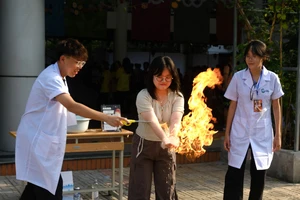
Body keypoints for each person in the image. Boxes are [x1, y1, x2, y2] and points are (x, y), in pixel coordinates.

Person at [15, 38, 127, 200]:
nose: (80, 68)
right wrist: (106, 117)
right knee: (52, 187)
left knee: (37, 188)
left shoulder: (60, 77)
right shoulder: (51, 78)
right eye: (77, 63)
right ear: (63, 59)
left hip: (42, 142)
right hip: (37, 141)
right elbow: (71, 106)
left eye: (82, 64)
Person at [223, 40, 284, 200]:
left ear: (263, 57)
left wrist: (278, 135)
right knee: (234, 173)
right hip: (240, 129)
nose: (250, 59)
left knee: (258, 176)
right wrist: (227, 133)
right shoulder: (238, 77)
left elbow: (276, 107)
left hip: (261, 132)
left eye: (254, 56)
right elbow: (232, 106)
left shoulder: (272, 78)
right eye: (248, 56)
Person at [128, 56, 184, 200]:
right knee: (140, 188)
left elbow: (176, 119)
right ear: (151, 75)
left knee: (167, 189)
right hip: (144, 145)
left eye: (168, 77)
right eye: (159, 77)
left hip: (167, 148)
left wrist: (172, 136)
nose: (163, 81)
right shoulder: (143, 95)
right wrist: (165, 138)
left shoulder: (177, 96)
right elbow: (152, 121)